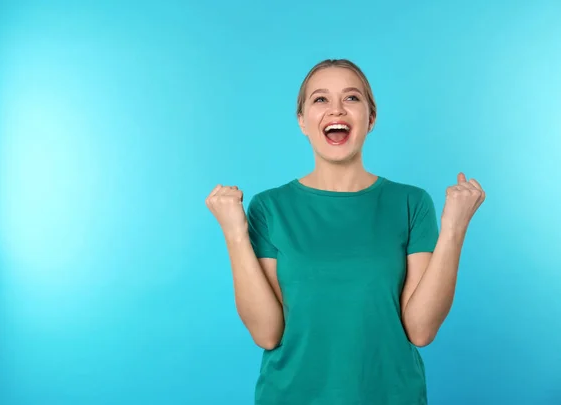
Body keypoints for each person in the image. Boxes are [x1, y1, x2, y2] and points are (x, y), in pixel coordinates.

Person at [205, 59, 486, 405]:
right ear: (302, 121)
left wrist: (455, 227)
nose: (335, 109)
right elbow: (266, 333)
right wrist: (234, 232)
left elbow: (422, 330)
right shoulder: (269, 208)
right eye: (320, 100)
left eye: (351, 98)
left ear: (371, 118)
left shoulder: (411, 203)